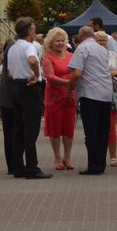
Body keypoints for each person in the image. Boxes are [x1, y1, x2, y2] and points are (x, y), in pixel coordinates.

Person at [8, 17, 51, 179]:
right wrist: (37, 74)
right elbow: (33, 60)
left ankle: (18, 167)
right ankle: (32, 167)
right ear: (29, 31)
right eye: (33, 29)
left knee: (18, 129)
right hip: (30, 87)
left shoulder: (12, 47)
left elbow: (10, 72)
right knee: (30, 131)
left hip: (17, 87)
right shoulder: (29, 46)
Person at [68, 26, 113, 175]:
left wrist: (70, 90)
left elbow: (76, 73)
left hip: (90, 94)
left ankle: (94, 165)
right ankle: (101, 163)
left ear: (81, 37)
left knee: (91, 131)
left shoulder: (81, 49)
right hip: (106, 93)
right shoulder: (102, 49)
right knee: (103, 130)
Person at [42, 27, 75, 171]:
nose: (61, 43)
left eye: (62, 40)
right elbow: (50, 77)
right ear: (51, 43)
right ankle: (57, 156)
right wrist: (69, 82)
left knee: (69, 128)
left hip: (69, 97)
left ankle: (67, 156)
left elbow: (77, 71)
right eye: (57, 41)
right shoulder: (47, 58)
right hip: (54, 98)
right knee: (55, 128)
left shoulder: (71, 56)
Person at [94, 31, 117, 168]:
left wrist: (113, 73)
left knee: (111, 125)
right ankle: (98, 156)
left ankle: (113, 156)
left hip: (112, 93)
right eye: (99, 40)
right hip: (94, 93)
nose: (102, 43)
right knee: (96, 126)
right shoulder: (91, 55)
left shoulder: (113, 55)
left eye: (104, 40)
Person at [0, 39, 15, 175]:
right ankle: (13, 165)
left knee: (9, 134)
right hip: (10, 99)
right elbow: (11, 74)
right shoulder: (13, 48)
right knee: (11, 134)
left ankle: (13, 165)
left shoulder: (10, 48)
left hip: (6, 99)